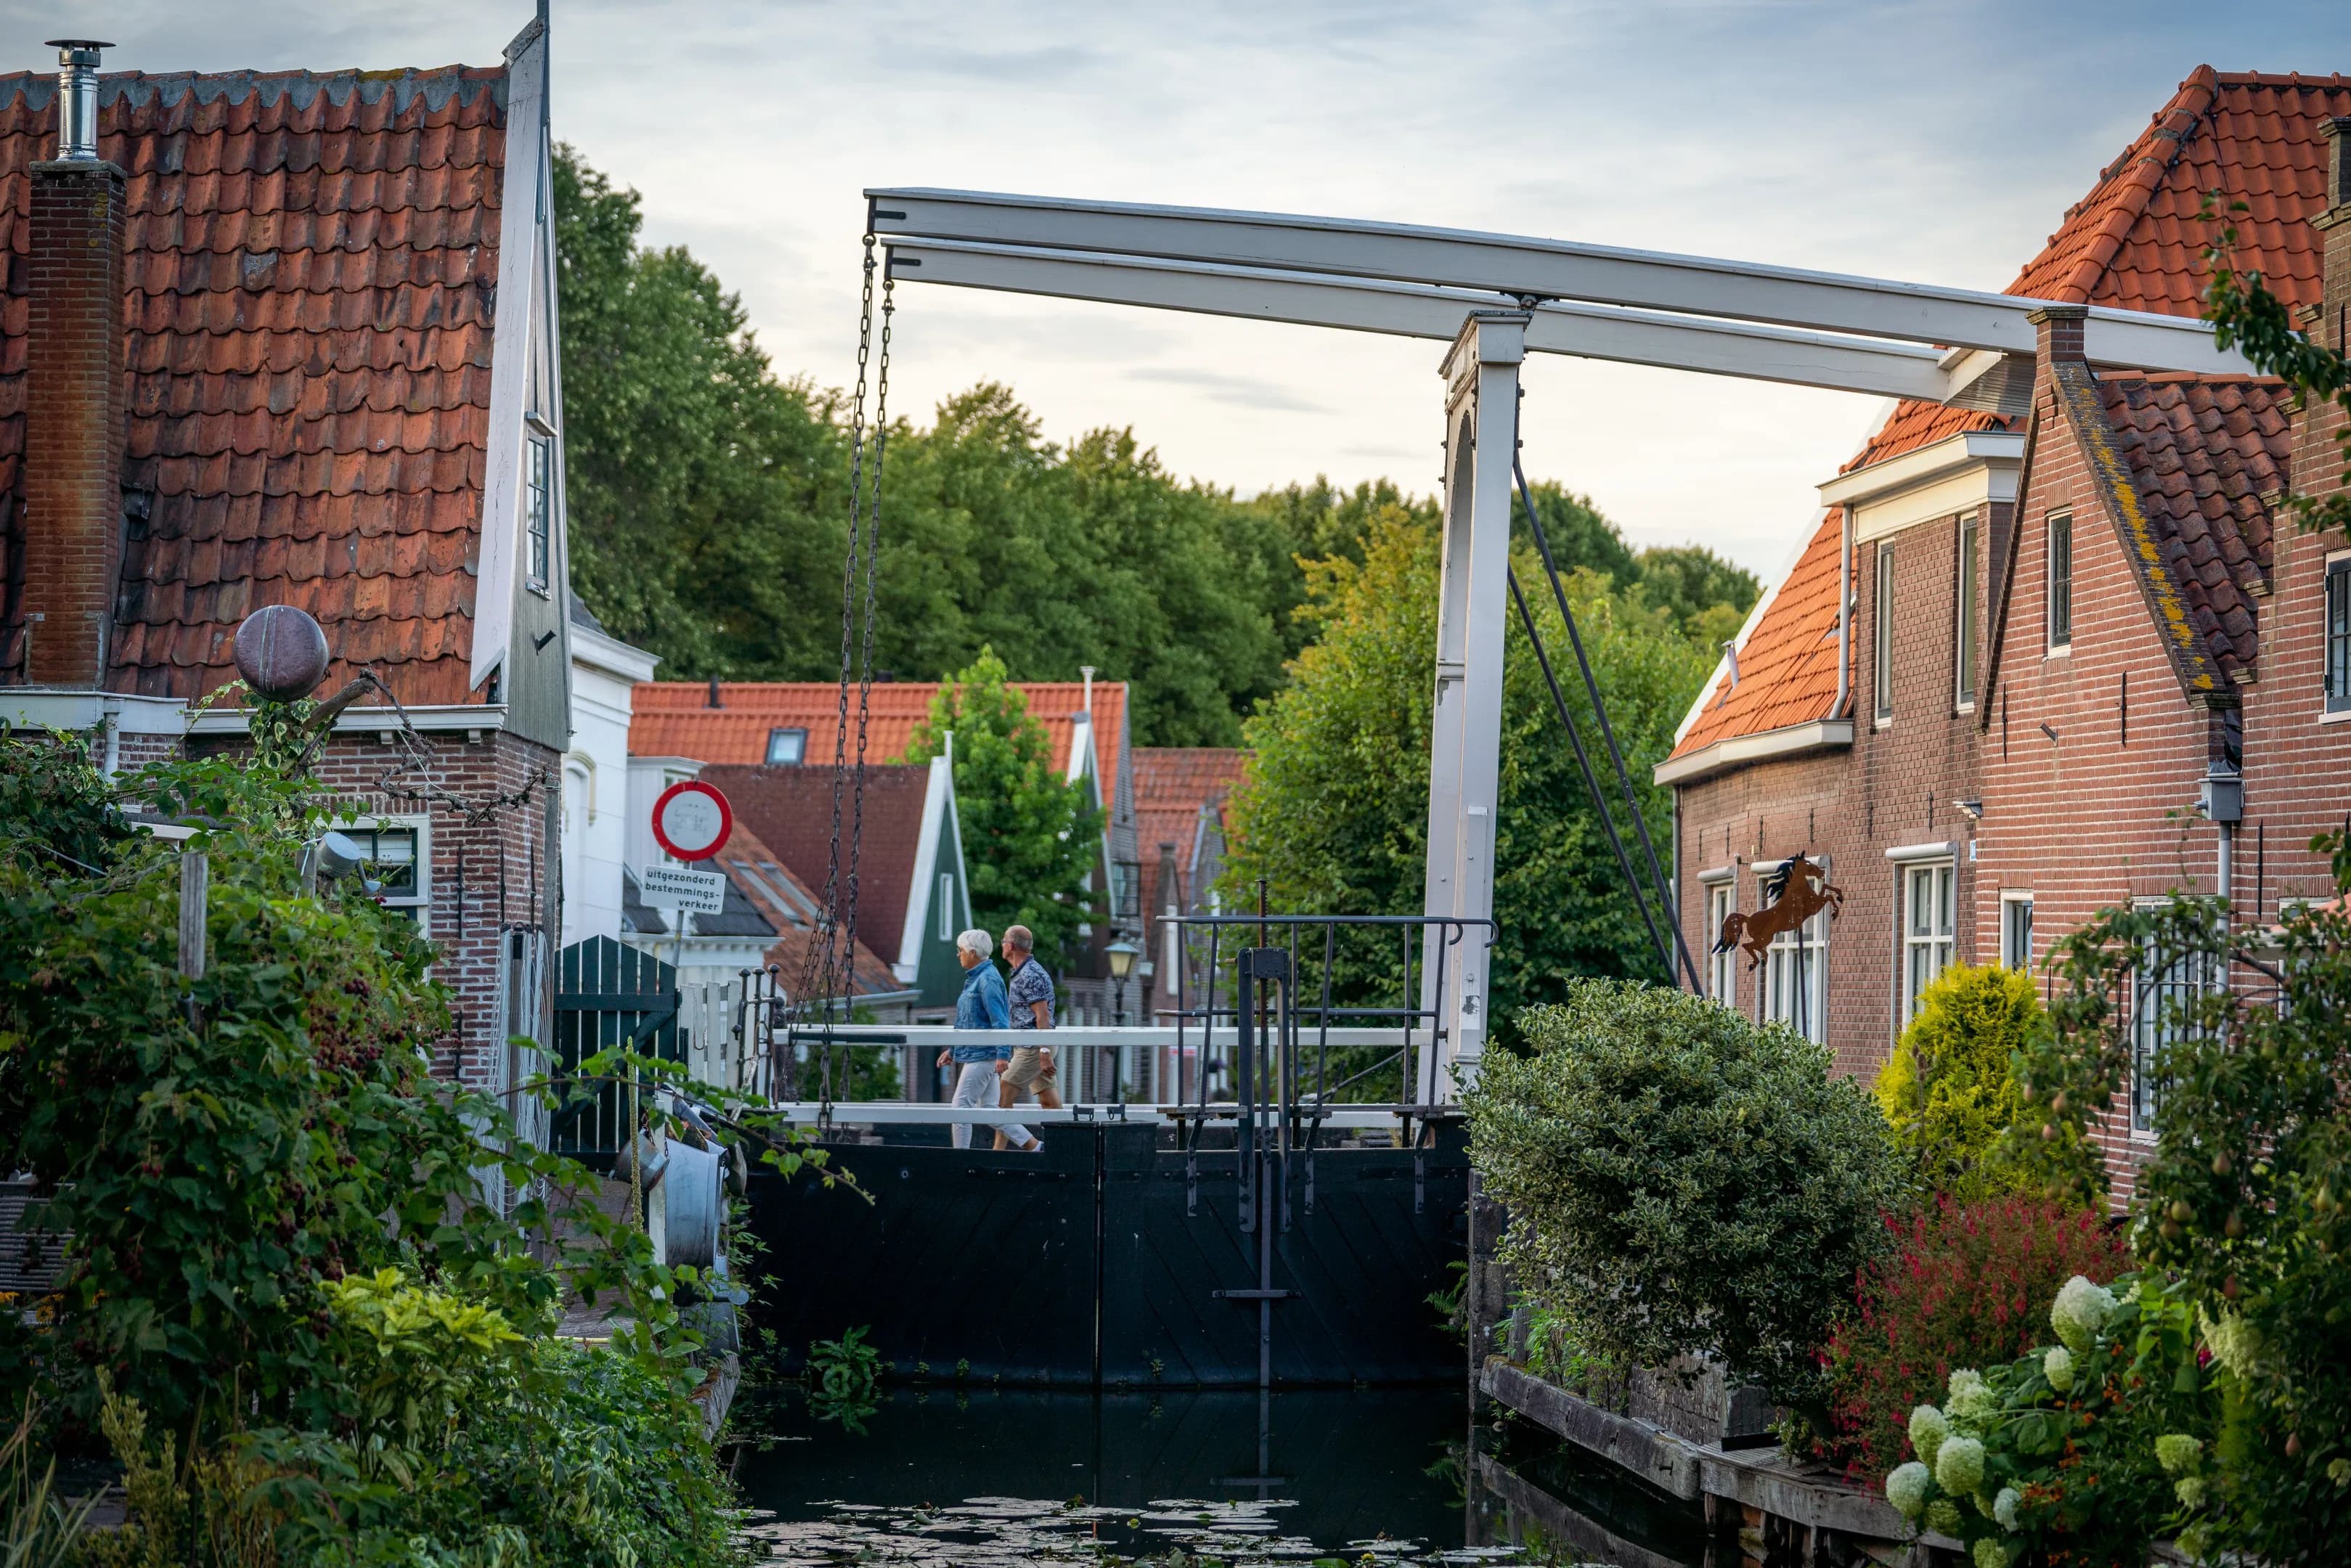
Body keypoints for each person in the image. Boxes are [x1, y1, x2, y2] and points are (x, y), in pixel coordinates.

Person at [939, 928, 1036, 1152]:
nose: (958, 954)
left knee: (961, 1106)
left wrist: (1002, 1054)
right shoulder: (979, 978)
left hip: (984, 1055)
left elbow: (1000, 1021)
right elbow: (968, 1022)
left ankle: (960, 1159)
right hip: (981, 1053)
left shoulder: (988, 980)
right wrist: (953, 1051)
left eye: (960, 950)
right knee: (992, 1110)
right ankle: (1036, 1146)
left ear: (972, 953)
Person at [994, 923, 1063, 1151]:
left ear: (1011, 946)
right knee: (1049, 1102)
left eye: (1004, 941)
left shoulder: (1029, 975)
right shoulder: (1022, 972)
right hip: (1032, 1045)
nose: (1001, 945)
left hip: (1034, 1047)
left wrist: (1044, 1052)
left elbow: (1042, 1015)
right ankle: (1066, 1149)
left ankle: (1000, 1156)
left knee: (1003, 1094)